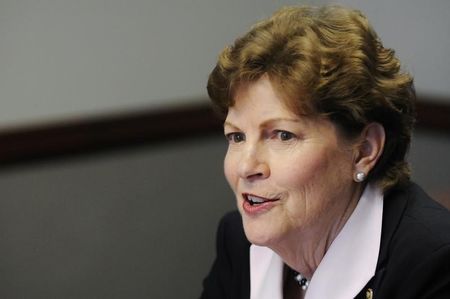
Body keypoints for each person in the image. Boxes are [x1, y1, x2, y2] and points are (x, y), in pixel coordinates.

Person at [199, 4, 450, 299]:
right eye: (237, 136)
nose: (245, 166)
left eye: (282, 135)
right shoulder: (237, 242)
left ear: (364, 150)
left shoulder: (433, 263)